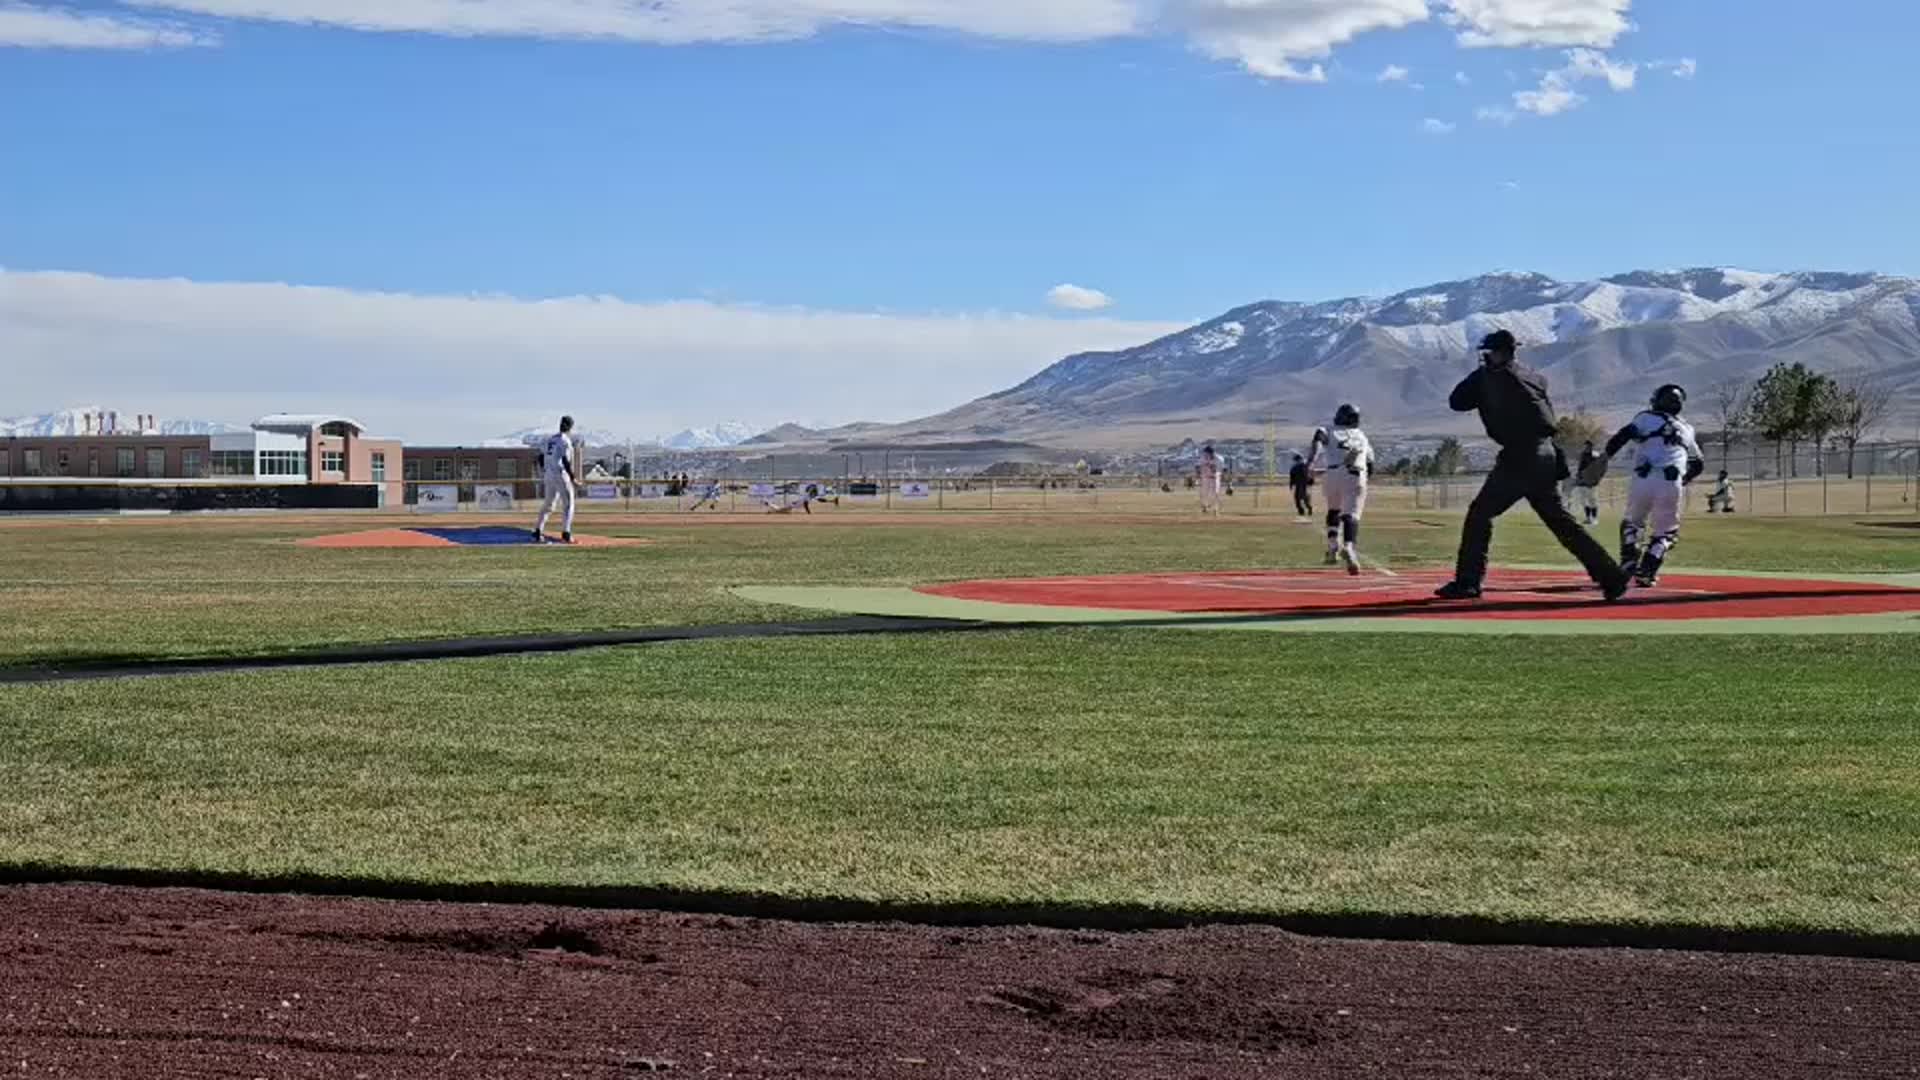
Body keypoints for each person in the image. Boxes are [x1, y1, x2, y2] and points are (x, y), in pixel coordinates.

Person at [1434, 331, 1629, 601]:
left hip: (1520, 456)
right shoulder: (1532, 376)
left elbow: (1457, 402)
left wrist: (1479, 375)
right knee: (1561, 522)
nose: (1485, 358)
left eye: (1488, 353)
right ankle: (1612, 576)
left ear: (1499, 353)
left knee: (1480, 515)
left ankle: (1468, 581)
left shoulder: (1491, 378)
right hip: (1546, 455)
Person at [1602, 384, 1705, 588]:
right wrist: (1682, 480)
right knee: (1666, 533)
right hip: (1670, 482)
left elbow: (1622, 436)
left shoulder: (1645, 418)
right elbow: (1698, 464)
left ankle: (1629, 558)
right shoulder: (1687, 428)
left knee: (1632, 523)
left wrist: (1605, 456)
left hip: (1642, 479)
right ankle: (1647, 571)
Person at [1320, 404, 1374, 575]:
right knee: (1351, 515)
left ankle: (1332, 545)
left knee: (1333, 510)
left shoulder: (1329, 430)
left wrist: (1310, 464)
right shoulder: (1361, 436)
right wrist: (1365, 481)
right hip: (1355, 473)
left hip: (1332, 473)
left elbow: (1318, 443)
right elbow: (1370, 462)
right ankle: (1349, 547)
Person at [532, 415, 578, 544]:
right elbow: (565, 461)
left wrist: (544, 470)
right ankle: (566, 533)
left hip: (549, 475)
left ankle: (538, 531)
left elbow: (540, 457)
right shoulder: (565, 441)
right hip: (560, 474)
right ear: (570, 427)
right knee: (568, 504)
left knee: (548, 504)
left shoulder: (550, 440)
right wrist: (573, 478)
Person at [1570, 440, 1602, 526]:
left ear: (1591, 447)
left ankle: (1594, 518)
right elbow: (1580, 468)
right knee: (1584, 501)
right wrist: (1578, 478)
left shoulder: (1595, 455)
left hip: (1591, 482)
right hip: (1582, 482)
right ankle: (1588, 518)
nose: (1586, 448)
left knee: (1593, 500)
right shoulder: (1583, 455)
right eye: (1585, 446)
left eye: (1587, 446)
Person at [1196, 446, 1224, 515]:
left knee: (1215, 494)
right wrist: (1198, 472)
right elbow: (1198, 466)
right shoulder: (1203, 458)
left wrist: (1216, 470)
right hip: (1205, 477)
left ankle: (1215, 509)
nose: (1205, 454)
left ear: (1211, 453)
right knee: (1204, 493)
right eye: (1205, 453)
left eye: (1207, 453)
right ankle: (1204, 507)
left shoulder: (1218, 458)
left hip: (1214, 478)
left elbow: (1222, 468)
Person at [1288, 453, 1314, 517]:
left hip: (1303, 484)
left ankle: (1306, 509)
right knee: (1299, 498)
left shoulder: (1302, 466)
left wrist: (1291, 485)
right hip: (1300, 484)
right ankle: (1303, 510)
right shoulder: (1300, 466)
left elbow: (1309, 475)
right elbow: (1292, 477)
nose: (1297, 461)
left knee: (1302, 498)